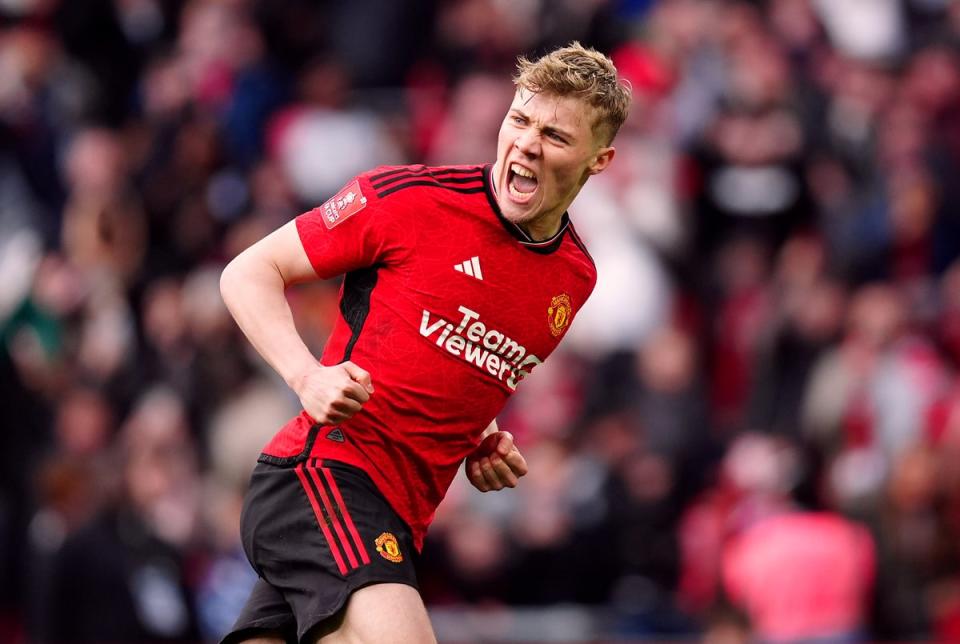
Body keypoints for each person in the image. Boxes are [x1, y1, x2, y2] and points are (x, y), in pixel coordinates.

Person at [219, 42, 631, 644]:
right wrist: (307, 376)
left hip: (399, 517)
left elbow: (453, 368)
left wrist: (476, 442)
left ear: (599, 160)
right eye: (519, 119)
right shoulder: (409, 201)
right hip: (324, 475)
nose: (526, 144)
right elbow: (247, 273)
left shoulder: (575, 278)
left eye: (556, 136)